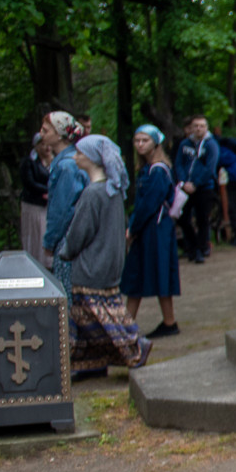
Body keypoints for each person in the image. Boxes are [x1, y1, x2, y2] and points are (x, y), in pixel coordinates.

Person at [59, 134, 150, 379]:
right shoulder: (113, 190)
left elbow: (79, 232)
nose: (76, 156)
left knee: (99, 315)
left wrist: (65, 252)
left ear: (91, 159)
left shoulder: (93, 194)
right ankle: (92, 363)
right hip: (107, 262)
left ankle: (134, 345)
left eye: (79, 152)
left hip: (91, 266)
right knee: (90, 318)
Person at [123, 126, 181, 338]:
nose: (140, 144)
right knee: (136, 274)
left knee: (159, 272)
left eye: (144, 140)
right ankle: (127, 323)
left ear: (155, 143)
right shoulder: (146, 169)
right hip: (147, 229)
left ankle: (168, 321)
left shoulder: (158, 171)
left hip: (155, 230)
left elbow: (148, 204)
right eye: (137, 140)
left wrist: (133, 228)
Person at [41, 110, 88, 293]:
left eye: (46, 130)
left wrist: (50, 241)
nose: (42, 133)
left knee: (67, 291)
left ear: (60, 135)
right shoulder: (68, 160)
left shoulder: (67, 165)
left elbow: (62, 209)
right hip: (76, 233)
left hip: (69, 235)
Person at [173, 115, 222, 265]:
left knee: (202, 219)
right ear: (191, 128)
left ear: (206, 127)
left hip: (204, 187)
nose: (198, 128)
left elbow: (210, 168)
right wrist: (183, 182)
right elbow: (179, 164)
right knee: (183, 218)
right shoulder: (184, 144)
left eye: (202, 126)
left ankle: (201, 249)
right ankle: (192, 247)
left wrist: (196, 183)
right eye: (196, 126)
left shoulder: (211, 145)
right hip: (185, 187)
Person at [20, 124, 55, 268]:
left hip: (49, 205)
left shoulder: (55, 161)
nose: (46, 148)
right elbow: (29, 182)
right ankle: (35, 262)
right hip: (34, 204)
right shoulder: (29, 162)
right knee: (35, 234)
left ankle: (48, 262)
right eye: (42, 145)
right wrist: (46, 190)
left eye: (48, 145)